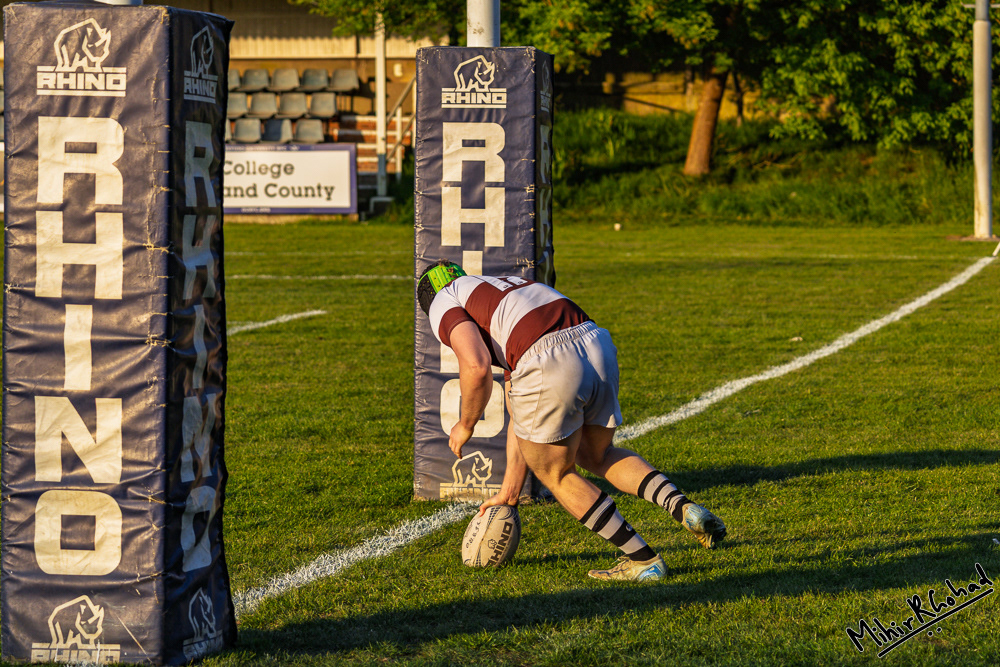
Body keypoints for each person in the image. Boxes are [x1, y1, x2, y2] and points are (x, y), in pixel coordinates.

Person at [417, 260, 726, 582]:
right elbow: (519, 411)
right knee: (597, 455)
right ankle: (684, 508)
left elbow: (476, 366)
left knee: (558, 474)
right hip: (594, 342)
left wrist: (466, 424)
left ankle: (643, 560)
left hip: (545, 356)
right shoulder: (500, 289)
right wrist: (509, 492)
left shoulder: (443, 298)